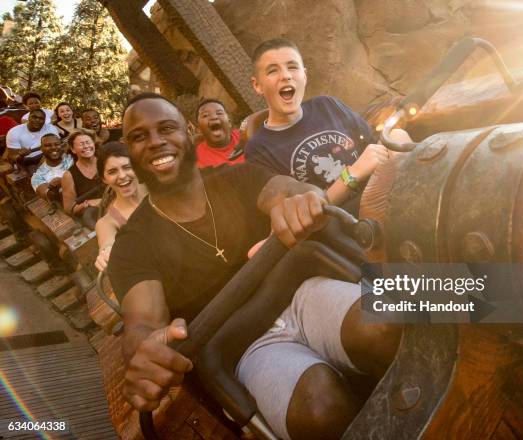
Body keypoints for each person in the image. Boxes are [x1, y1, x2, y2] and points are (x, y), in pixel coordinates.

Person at [107, 93, 400, 440]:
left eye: (166, 128)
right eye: (139, 137)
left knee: (385, 322)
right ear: (129, 149)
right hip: (246, 348)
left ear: (187, 133)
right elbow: (142, 324)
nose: (155, 142)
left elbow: (285, 189)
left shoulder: (238, 178)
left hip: (302, 295)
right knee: (320, 409)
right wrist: (145, 350)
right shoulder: (132, 244)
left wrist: (301, 198)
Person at [245, 38, 395, 207]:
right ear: (257, 85)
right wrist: (351, 175)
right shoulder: (258, 150)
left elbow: (373, 146)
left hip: (386, 192)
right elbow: (301, 217)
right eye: (273, 71)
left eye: (292, 67)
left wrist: (395, 143)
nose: (286, 76)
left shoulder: (328, 105)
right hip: (347, 224)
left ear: (305, 75)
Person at [94, 142, 146, 272]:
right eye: (112, 172)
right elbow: (107, 244)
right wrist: (106, 253)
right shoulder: (108, 221)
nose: (122, 176)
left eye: (127, 167)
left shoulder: (158, 188)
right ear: (104, 179)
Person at [61, 130, 103, 228]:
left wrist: (102, 200)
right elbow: (69, 209)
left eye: (88, 142)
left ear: (94, 144)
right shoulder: (69, 176)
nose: (86, 146)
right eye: (81, 144)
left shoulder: (106, 161)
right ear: (73, 149)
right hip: (95, 215)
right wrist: (86, 204)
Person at [194, 98, 245, 168]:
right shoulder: (197, 159)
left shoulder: (246, 136)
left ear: (229, 122)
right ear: (199, 129)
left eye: (219, 113)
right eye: (205, 115)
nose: (214, 117)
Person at [31, 133, 74, 202]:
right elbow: (49, 195)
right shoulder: (38, 177)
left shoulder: (73, 157)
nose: (53, 147)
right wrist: (53, 188)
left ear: (61, 146)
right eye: (48, 145)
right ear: (41, 149)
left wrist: (64, 180)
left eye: (57, 144)